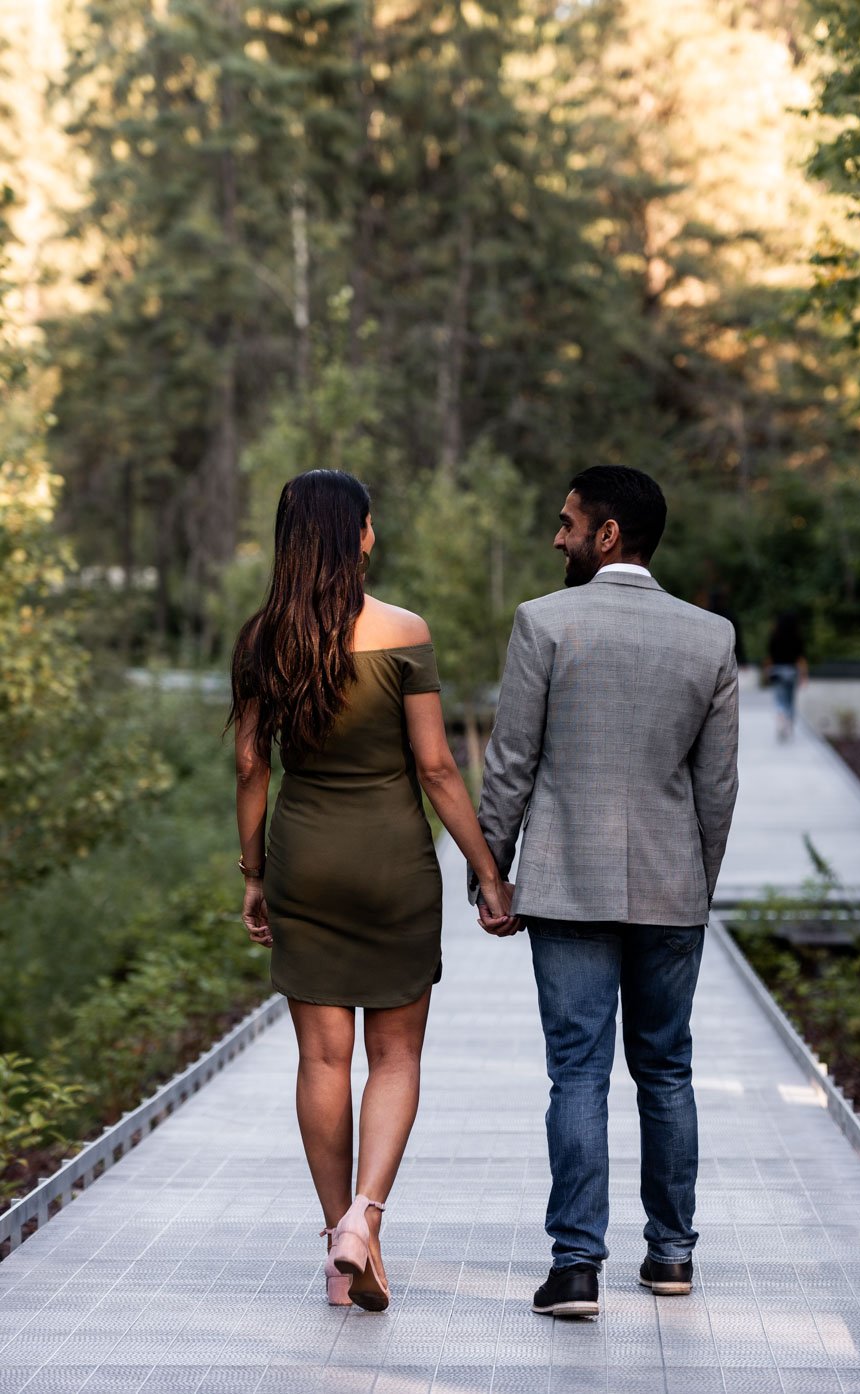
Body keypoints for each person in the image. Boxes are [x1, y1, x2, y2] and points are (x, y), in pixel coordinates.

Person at [225, 469, 515, 1313]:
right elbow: (435, 769)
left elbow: (250, 766)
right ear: (355, 535)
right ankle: (365, 1220)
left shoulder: (260, 642)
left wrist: (254, 877)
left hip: (303, 860)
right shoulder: (404, 632)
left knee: (322, 1057)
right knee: (395, 1055)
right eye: (369, 523)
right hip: (393, 864)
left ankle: (335, 1247)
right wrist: (489, 874)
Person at [470, 465, 739, 1318]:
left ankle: (576, 1267)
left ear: (607, 534)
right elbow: (717, 788)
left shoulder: (544, 624)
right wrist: (695, 882)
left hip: (567, 889)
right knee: (666, 1071)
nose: (557, 537)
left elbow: (511, 760)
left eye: (567, 522)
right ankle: (670, 1258)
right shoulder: (710, 638)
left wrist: (492, 871)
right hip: (672, 889)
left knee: (577, 1075)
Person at [764, 611, 807, 741]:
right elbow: (800, 659)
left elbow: (770, 657)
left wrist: (766, 671)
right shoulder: (797, 637)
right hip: (792, 671)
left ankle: (781, 716)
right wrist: (804, 675)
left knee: (779, 699)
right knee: (790, 700)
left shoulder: (774, 637)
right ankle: (788, 722)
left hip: (777, 671)